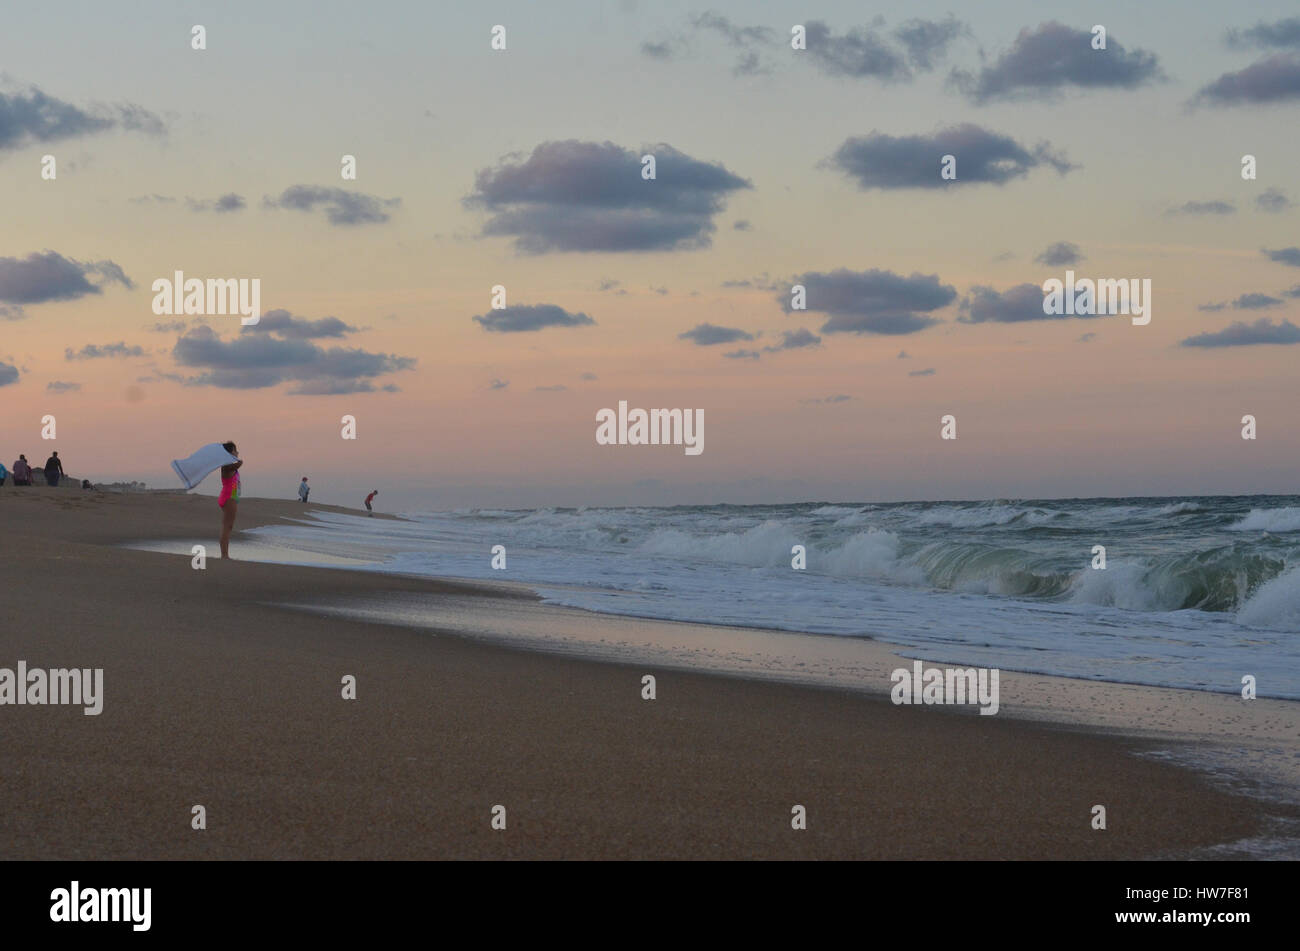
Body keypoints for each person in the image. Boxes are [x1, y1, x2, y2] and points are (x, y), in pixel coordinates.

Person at [217, 441, 243, 559]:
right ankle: (224, 555)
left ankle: (225, 554)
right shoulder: (227, 465)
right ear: (230, 453)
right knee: (227, 526)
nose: (237, 452)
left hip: (232, 497)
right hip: (229, 498)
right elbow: (239, 463)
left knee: (228, 526)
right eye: (235, 450)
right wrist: (238, 460)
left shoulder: (229, 465)